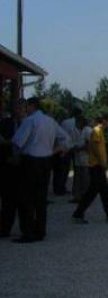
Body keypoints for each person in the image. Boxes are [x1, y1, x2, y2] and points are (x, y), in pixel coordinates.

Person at [11, 97, 70, 243]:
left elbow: (18, 142)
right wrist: (54, 150)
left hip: (30, 161)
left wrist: (14, 158)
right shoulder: (50, 121)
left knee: (27, 198)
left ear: (31, 106)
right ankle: (40, 230)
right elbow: (66, 139)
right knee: (41, 199)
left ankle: (28, 232)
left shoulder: (30, 121)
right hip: (46, 160)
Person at [72, 114, 108, 224]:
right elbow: (94, 147)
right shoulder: (96, 131)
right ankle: (78, 214)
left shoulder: (99, 131)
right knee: (92, 193)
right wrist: (101, 162)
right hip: (96, 166)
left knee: (104, 192)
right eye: (107, 121)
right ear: (104, 121)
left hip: (98, 166)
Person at [0, 98, 25, 238]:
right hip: (8, 165)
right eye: (16, 107)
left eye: (21, 108)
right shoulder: (5, 123)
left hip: (24, 164)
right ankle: (5, 228)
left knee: (24, 199)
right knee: (7, 200)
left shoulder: (29, 123)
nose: (18, 110)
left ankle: (25, 228)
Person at [54, 107, 81, 195]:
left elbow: (61, 134)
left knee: (63, 169)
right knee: (77, 169)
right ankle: (75, 188)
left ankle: (60, 187)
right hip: (76, 147)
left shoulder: (66, 122)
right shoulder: (80, 123)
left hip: (65, 147)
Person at [71, 114, 93, 204]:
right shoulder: (80, 130)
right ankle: (78, 196)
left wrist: (79, 148)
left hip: (85, 158)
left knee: (84, 178)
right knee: (78, 178)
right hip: (79, 159)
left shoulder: (87, 130)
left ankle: (84, 196)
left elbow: (89, 145)